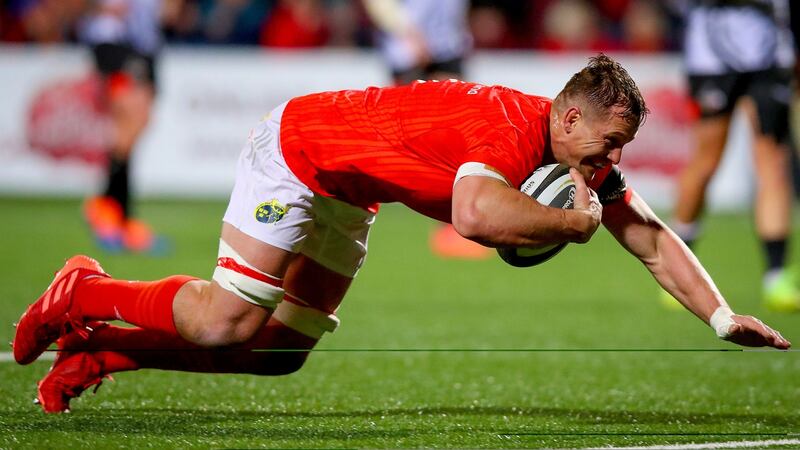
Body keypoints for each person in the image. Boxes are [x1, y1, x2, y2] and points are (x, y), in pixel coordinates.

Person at [13, 55, 790, 413]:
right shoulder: (509, 130)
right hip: (302, 150)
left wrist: (721, 317)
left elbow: (649, 234)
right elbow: (477, 217)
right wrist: (575, 222)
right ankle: (86, 288)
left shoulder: (574, 159)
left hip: (355, 191)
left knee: (277, 355)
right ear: (568, 116)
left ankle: (101, 350)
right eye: (608, 145)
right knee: (227, 319)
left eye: (622, 150)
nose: (614, 163)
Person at [664, 0, 800, 311]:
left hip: (770, 54)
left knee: (774, 162)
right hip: (711, 56)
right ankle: (676, 270)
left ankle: (776, 277)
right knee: (706, 160)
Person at [364, 0, 488, 259]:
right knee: (421, 141)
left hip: (448, 46)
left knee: (456, 134)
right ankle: (445, 216)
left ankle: (457, 221)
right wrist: (407, 31)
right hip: (410, 51)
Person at [77, 0, 167, 253]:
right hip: (124, 65)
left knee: (126, 144)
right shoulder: (107, 27)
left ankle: (114, 213)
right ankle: (110, 213)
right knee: (125, 140)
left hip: (134, 65)